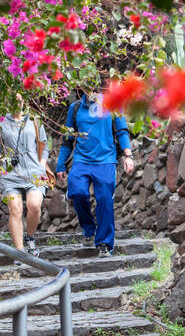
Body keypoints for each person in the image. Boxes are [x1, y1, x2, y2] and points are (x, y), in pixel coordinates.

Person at [55, 72, 134, 255]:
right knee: (77, 192)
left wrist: (128, 156)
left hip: (105, 161)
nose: (90, 90)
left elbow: (122, 132)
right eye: (86, 86)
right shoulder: (75, 108)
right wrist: (60, 165)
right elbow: (67, 139)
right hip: (81, 161)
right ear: (80, 88)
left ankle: (105, 243)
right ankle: (89, 229)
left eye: (93, 86)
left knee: (105, 200)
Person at [0, 94, 52, 258]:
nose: (16, 104)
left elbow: (44, 144)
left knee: (34, 206)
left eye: (19, 101)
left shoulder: (34, 120)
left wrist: (42, 164)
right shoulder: (1, 123)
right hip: (11, 173)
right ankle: (20, 253)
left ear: (24, 102)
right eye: (13, 100)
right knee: (15, 210)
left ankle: (30, 237)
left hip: (34, 172)